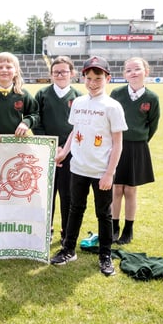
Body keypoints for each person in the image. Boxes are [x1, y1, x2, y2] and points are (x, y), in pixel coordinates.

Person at [51, 56, 127, 276]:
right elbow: (75, 132)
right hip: (78, 168)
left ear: (107, 78)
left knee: (104, 214)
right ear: (83, 77)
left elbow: (118, 143)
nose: (93, 82)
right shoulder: (78, 102)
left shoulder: (113, 106)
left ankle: (105, 255)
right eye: (89, 77)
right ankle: (68, 249)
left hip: (101, 171)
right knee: (76, 208)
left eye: (98, 78)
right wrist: (64, 153)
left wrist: (109, 174)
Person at [110, 57, 160, 245]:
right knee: (116, 189)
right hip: (117, 146)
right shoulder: (117, 93)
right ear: (124, 74)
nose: (133, 73)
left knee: (130, 190)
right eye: (128, 70)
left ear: (146, 71)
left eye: (137, 69)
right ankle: (113, 227)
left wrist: (140, 140)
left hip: (137, 147)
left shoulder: (152, 98)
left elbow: (152, 125)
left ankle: (128, 229)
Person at [32, 56, 81, 244]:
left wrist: (65, 150)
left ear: (72, 73)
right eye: (56, 72)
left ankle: (66, 231)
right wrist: (51, 146)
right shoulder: (42, 94)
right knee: (47, 193)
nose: (60, 75)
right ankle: (47, 229)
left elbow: (79, 126)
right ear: (51, 74)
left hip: (71, 153)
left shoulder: (78, 97)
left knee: (68, 193)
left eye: (64, 71)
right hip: (47, 152)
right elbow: (36, 121)